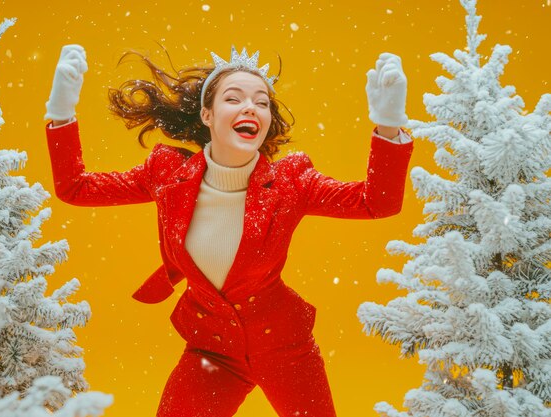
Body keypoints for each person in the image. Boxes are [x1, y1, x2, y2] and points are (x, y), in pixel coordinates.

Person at [43, 44, 414, 417]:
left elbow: (376, 202)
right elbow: (76, 188)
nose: (250, 107)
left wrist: (388, 125)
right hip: (212, 350)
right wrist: (61, 113)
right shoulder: (166, 172)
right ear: (207, 114)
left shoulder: (290, 181)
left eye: (261, 102)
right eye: (233, 98)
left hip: (284, 347)